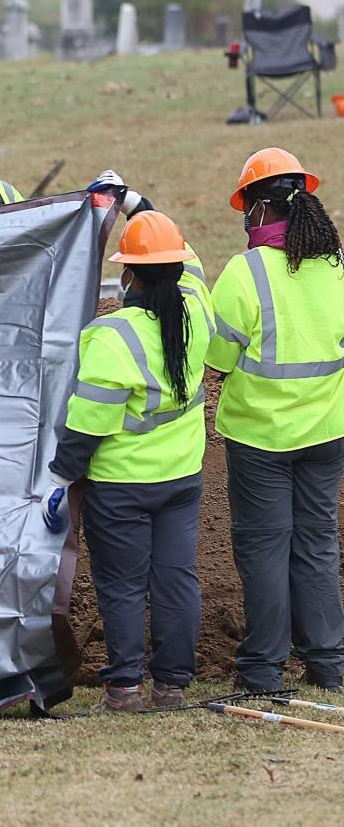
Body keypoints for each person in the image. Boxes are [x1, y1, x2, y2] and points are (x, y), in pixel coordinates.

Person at [42, 207, 213, 712]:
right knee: (177, 578)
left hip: (122, 487)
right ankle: (172, 686)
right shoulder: (198, 310)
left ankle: (123, 690)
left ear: (130, 274)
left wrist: (60, 477)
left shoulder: (112, 337)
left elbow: (88, 425)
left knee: (121, 587)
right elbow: (193, 265)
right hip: (182, 476)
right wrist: (139, 203)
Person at [207, 148, 344, 693]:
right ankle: (328, 665)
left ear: (259, 210)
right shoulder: (335, 266)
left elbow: (216, 357)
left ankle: (264, 671)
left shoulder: (244, 272)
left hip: (259, 437)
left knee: (264, 549)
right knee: (317, 544)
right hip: (327, 433)